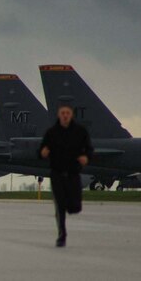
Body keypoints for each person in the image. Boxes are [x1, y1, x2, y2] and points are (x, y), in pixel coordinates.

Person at [39, 105, 93, 248]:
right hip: (57, 174)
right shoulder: (51, 133)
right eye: (62, 113)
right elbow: (41, 150)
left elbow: (89, 149)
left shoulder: (80, 132)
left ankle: (69, 212)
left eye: (67, 113)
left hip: (73, 174)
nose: (65, 115)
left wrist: (86, 157)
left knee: (74, 206)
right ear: (59, 115)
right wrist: (42, 153)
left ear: (71, 115)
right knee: (60, 205)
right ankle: (62, 235)